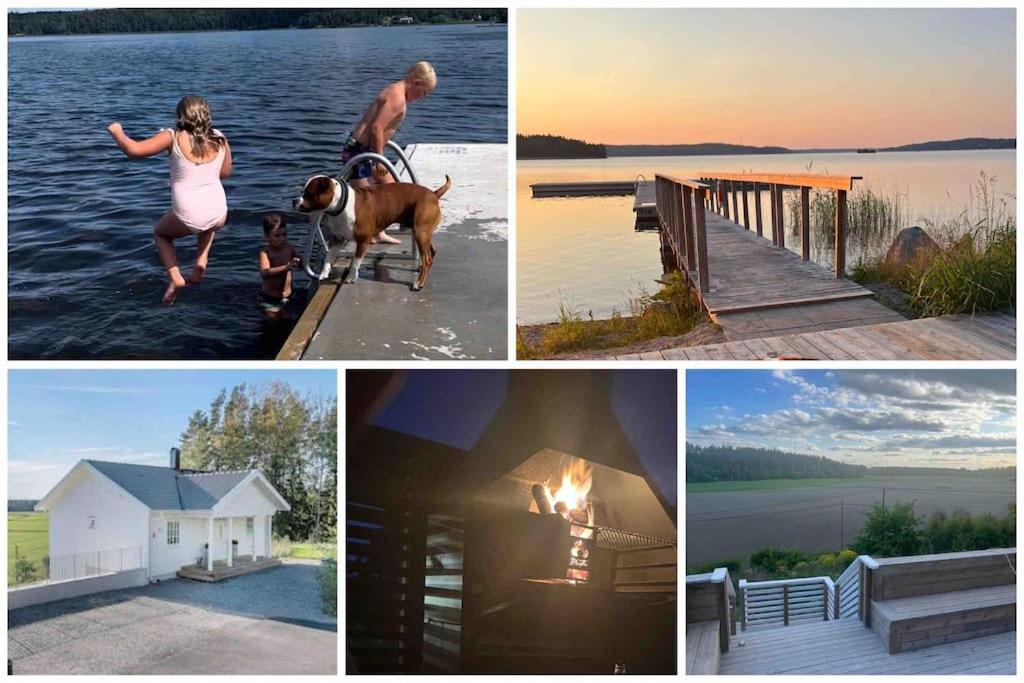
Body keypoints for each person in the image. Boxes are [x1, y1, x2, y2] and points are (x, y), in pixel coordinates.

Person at [107, 95, 232, 304]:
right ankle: (201, 261)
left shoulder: (172, 136)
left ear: (180, 116)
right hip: (219, 211)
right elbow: (226, 172)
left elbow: (134, 150)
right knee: (208, 225)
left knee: (161, 233)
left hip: (189, 215)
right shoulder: (219, 137)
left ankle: (175, 279)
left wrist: (117, 132)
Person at [341, 61, 436, 244]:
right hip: (359, 152)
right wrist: (379, 160)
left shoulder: (397, 90)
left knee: (393, 192)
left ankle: (379, 231)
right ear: (417, 83)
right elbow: (377, 128)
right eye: (424, 93)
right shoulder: (397, 97)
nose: (422, 97)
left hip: (369, 151)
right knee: (367, 198)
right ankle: (362, 232)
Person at [258, 213, 301, 321]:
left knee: (289, 320)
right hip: (270, 299)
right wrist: (286, 267)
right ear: (267, 237)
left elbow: (301, 261)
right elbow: (265, 273)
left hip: (288, 296)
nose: (282, 238)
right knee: (275, 322)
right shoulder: (266, 252)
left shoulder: (289, 248)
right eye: (277, 236)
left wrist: (299, 262)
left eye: (284, 234)